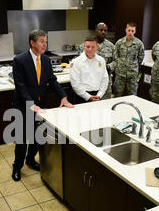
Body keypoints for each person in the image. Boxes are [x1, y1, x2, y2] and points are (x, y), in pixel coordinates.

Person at [11, 29, 74, 181]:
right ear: (32, 43)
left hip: (41, 105)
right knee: (22, 140)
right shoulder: (20, 60)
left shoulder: (45, 60)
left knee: (38, 137)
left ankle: (30, 160)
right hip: (23, 106)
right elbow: (20, 85)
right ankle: (17, 167)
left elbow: (52, 80)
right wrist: (31, 104)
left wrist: (63, 97)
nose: (45, 44)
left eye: (46, 41)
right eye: (41, 41)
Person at [78, 23, 115, 99]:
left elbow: (116, 61)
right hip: (89, 83)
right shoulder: (84, 46)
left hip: (105, 83)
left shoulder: (111, 46)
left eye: (105, 30)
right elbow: (79, 62)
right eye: (101, 30)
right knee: (91, 107)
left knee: (105, 106)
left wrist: (108, 66)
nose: (103, 32)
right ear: (96, 31)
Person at [70, 36, 108, 104]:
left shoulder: (101, 60)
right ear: (84, 47)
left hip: (97, 96)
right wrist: (88, 97)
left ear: (97, 47)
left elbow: (105, 79)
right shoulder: (76, 62)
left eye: (93, 47)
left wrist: (99, 95)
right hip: (81, 97)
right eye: (88, 47)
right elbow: (75, 83)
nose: (90, 49)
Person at [111, 22, 145, 97]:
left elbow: (140, 57)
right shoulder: (119, 43)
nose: (130, 32)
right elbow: (115, 55)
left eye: (132, 31)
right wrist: (119, 64)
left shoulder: (139, 44)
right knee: (117, 93)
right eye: (129, 30)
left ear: (135, 31)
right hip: (120, 73)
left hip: (132, 74)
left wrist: (133, 65)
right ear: (126, 30)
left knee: (132, 95)